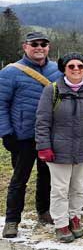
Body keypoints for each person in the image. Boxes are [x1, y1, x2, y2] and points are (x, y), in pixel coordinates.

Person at [34, 52, 83, 242]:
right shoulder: (52, 90)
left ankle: (75, 217)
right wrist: (44, 146)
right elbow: (42, 121)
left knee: (79, 187)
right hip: (59, 150)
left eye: (80, 66)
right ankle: (61, 224)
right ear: (64, 69)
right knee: (59, 189)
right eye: (71, 66)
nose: (76, 69)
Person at [1, 32, 62, 238]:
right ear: (25, 47)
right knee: (19, 179)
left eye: (43, 44)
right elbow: (1, 104)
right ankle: (12, 220)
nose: (39, 47)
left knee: (47, 175)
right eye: (34, 44)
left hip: (49, 135)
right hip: (22, 136)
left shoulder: (57, 70)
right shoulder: (10, 72)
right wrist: (6, 133)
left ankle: (44, 210)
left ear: (49, 47)